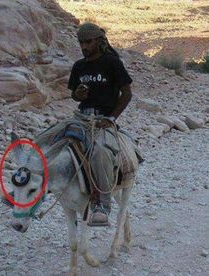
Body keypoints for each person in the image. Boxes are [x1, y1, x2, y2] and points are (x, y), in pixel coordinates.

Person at [68, 22, 133, 226]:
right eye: (81, 42)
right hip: (82, 117)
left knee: (100, 152)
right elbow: (74, 94)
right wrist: (76, 94)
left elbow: (127, 94)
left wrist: (111, 118)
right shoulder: (79, 66)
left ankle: (102, 206)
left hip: (104, 120)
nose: (84, 46)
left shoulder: (112, 63)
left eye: (87, 42)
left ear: (98, 41)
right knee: (51, 141)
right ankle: (29, 195)